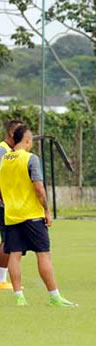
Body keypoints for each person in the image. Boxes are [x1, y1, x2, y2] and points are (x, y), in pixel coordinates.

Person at [0, 125, 76, 306]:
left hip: (11, 215)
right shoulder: (30, 159)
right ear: (27, 140)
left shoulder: (3, 160)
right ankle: (54, 296)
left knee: (14, 255)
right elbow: (39, 188)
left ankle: (19, 297)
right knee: (43, 254)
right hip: (32, 215)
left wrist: (6, 202)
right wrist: (47, 211)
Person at [0, 119, 21, 290]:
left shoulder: (12, 151)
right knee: (7, 240)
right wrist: (5, 200)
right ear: (12, 134)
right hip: (4, 204)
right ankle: (1, 279)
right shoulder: (3, 150)